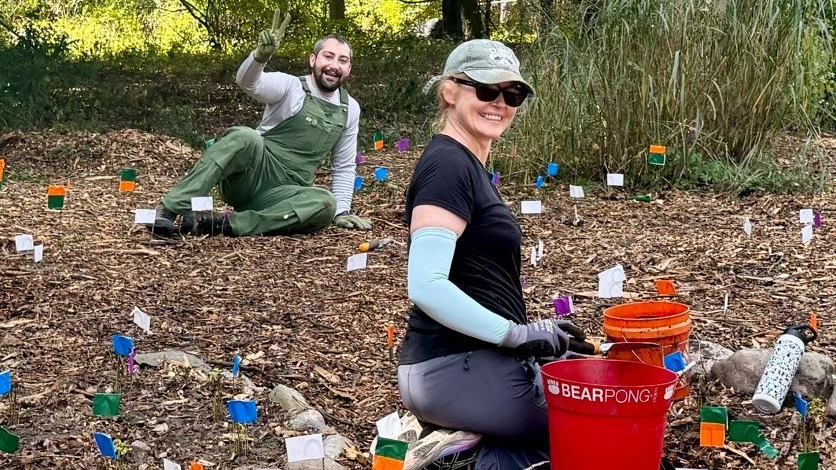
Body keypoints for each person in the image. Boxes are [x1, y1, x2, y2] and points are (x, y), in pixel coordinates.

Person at [396, 39, 589, 469]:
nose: (499, 103)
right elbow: (425, 285)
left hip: (467, 368)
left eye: (512, 94)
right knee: (598, 423)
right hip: (453, 369)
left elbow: (479, 280)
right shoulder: (448, 166)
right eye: (485, 91)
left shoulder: (467, 164)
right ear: (450, 91)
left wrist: (541, 338)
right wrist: (518, 334)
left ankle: (470, 454)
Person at [147, 9, 371, 238]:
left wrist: (342, 210)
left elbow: (343, 165)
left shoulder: (349, 108)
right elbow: (248, 82)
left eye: (343, 61)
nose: (335, 65)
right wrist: (259, 57)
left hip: (285, 194)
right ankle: (170, 209)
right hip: (248, 177)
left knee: (325, 202)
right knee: (246, 137)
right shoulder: (291, 86)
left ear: (349, 69)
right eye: (328, 56)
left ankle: (223, 223)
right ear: (313, 59)